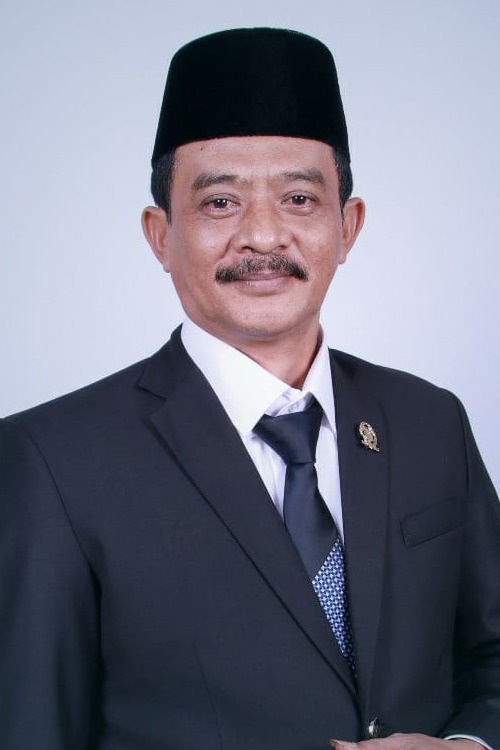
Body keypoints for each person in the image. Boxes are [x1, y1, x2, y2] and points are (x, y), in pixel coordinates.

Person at [0, 27, 499, 750]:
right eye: (220, 203)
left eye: (299, 198)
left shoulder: (429, 420)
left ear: (348, 226)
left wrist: (467, 747)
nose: (264, 237)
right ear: (160, 235)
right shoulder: (50, 459)